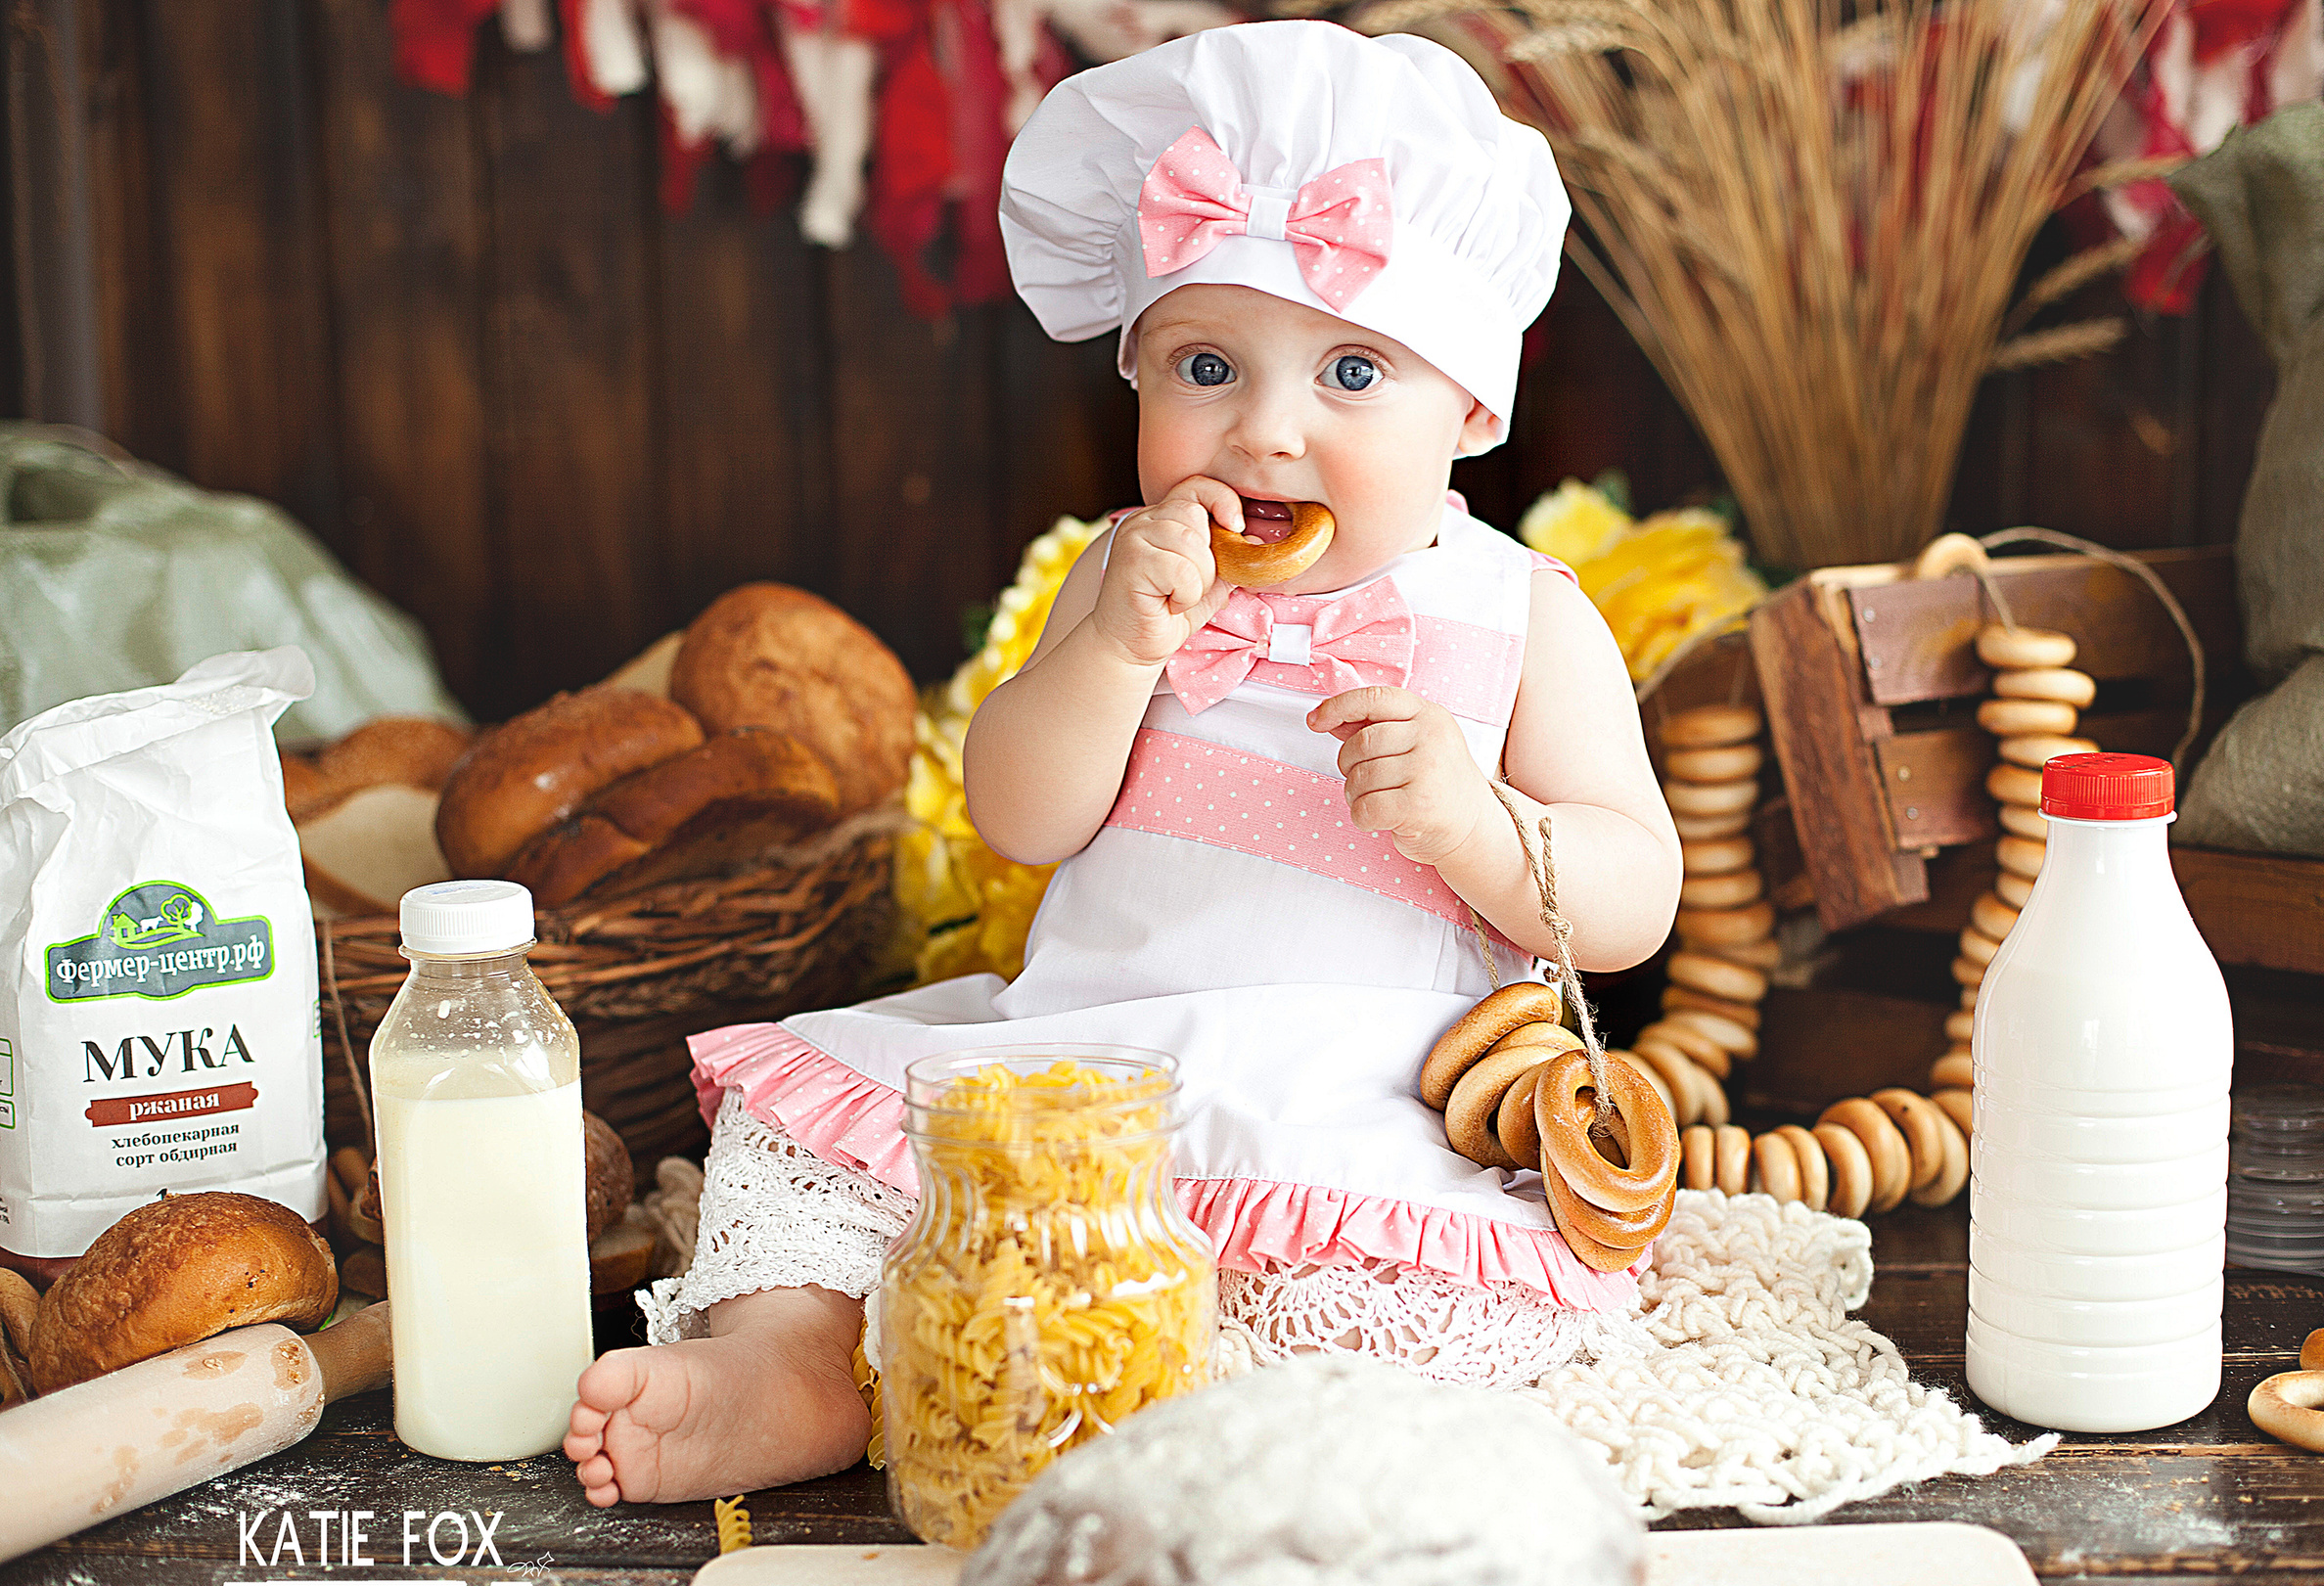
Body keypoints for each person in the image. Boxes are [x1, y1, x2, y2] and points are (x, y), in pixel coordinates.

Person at [565, 18, 1678, 1508]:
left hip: (1356, 1102)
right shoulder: (1128, 574)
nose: (1267, 431)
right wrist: (1107, 657)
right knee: (827, 1156)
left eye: (1353, 372)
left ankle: (1224, 1417)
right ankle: (800, 1368)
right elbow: (1022, 817)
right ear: (1139, 377)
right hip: (1083, 1076)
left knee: (1397, 1321)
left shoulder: (1519, 614)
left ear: (1474, 407)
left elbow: (1632, 897)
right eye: (1208, 365)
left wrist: (1481, 829)